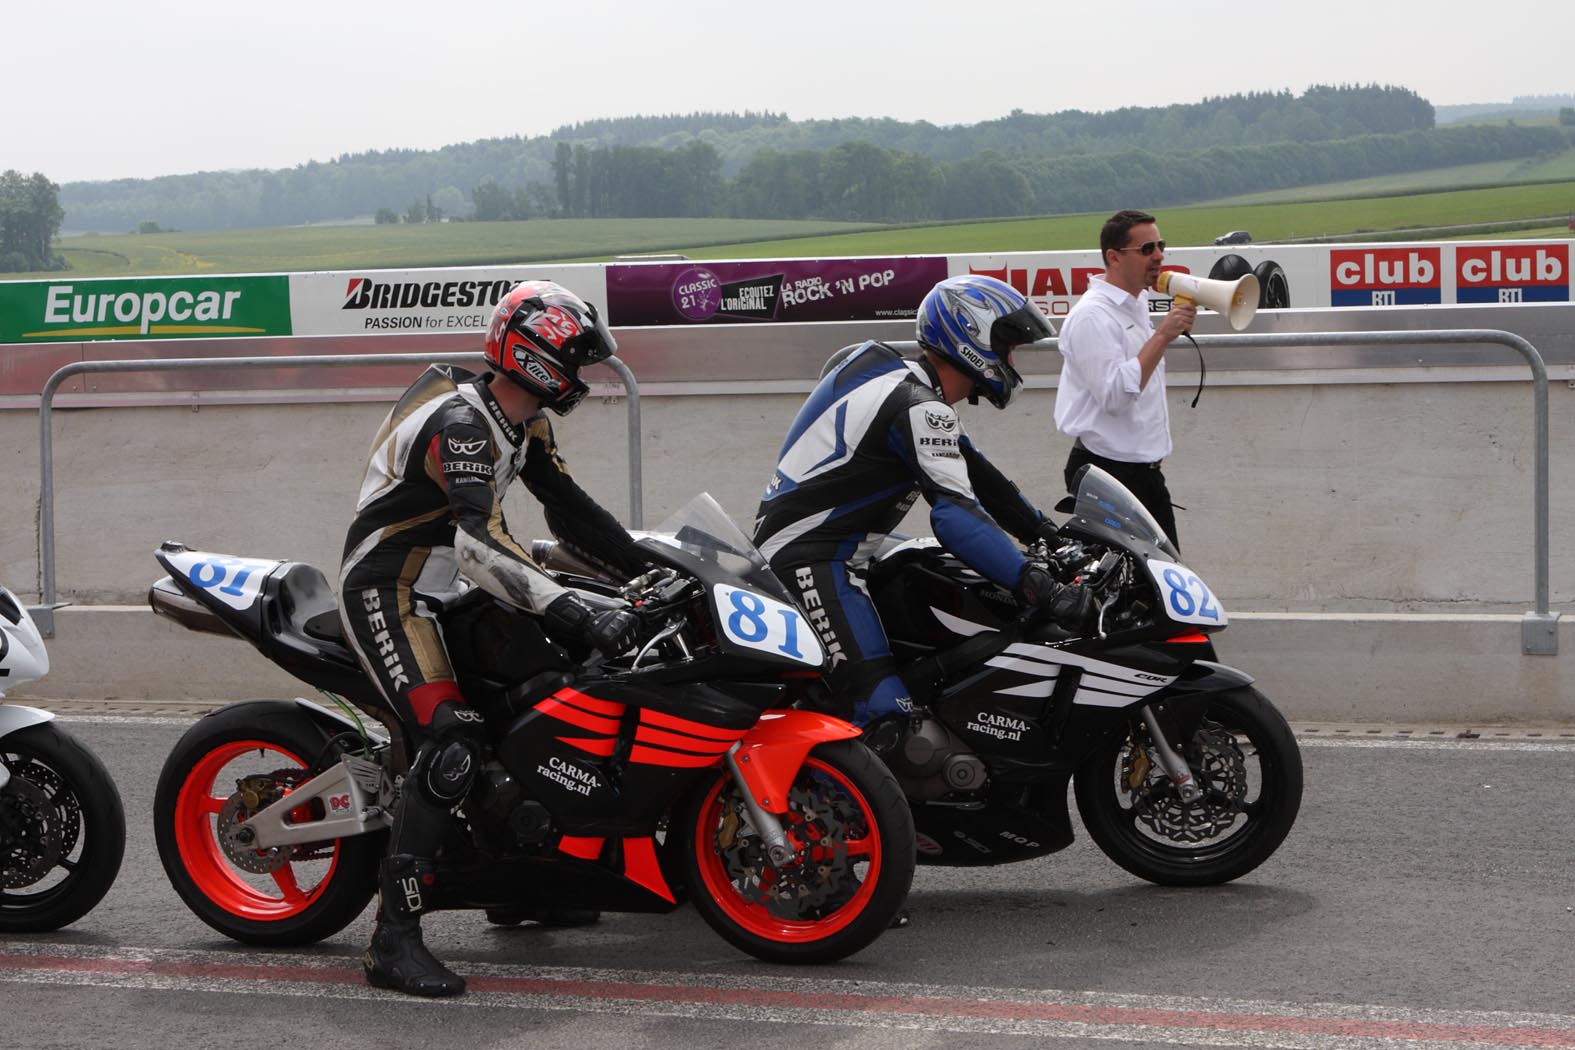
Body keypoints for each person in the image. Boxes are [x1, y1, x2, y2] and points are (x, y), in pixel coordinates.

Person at [338, 280, 648, 997]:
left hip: (452, 587)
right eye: (576, 361)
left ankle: (517, 884)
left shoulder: (526, 422)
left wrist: (656, 573)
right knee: (452, 742)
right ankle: (394, 938)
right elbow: (480, 543)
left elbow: (575, 517)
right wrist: (574, 609)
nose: (582, 377)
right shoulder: (465, 425)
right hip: (391, 590)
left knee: (546, 702)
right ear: (536, 359)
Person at [753, 274, 1094, 731]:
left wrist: (1049, 536)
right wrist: (1038, 585)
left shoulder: (891, 373)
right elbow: (955, 517)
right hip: (812, 560)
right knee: (885, 716)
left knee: (931, 581)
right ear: (973, 336)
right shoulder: (918, 406)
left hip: (827, 546)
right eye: (1007, 345)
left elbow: (980, 478)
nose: (1012, 360)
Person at [1053, 209, 1197, 550]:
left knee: (1160, 577)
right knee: (1142, 582)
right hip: (1107, 470)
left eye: (1160, 245)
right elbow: (1115, 396)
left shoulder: (1136, 304)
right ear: (1114, 258)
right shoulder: (1092, 316)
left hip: (1139, 471)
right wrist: (1162, 336)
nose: (1159, 255)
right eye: (1147, 249)